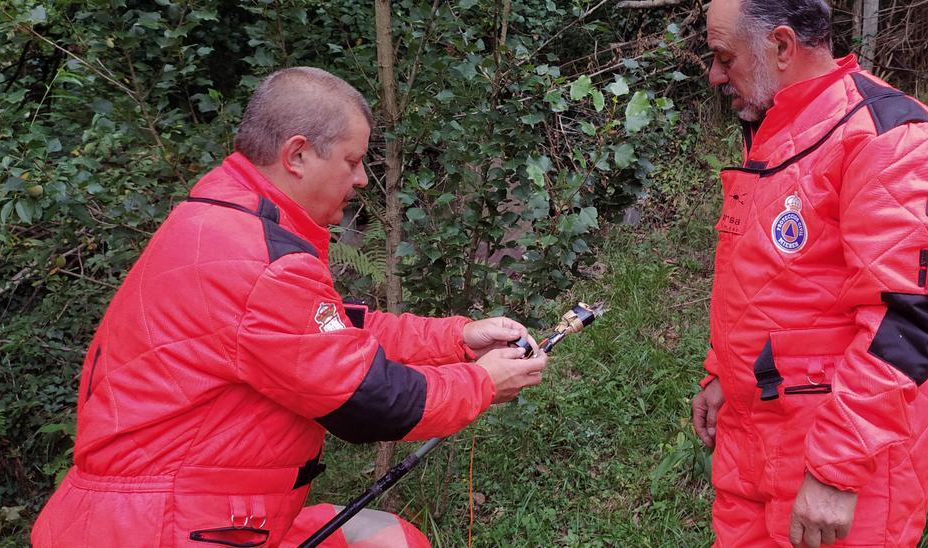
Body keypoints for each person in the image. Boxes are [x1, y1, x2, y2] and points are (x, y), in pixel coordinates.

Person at [30, 66, 548, 547]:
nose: (363, 178)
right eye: (352, 160)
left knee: (389, 535)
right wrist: (482, 384)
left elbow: (327, 332)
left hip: (189, 513)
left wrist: (456, 338)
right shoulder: (253, 258)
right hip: (161, 525)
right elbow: (369, 402)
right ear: (297, 155)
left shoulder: (229, 221)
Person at [689, 1, 928, 546]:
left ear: (781, 46)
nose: (714, 75)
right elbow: (769, 279)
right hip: (755, 438)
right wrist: (721, 375)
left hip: (843, 454)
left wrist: (837, 469)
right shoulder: (784, 128)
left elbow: (905, 325)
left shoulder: (897, 143)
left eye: (723, 58)